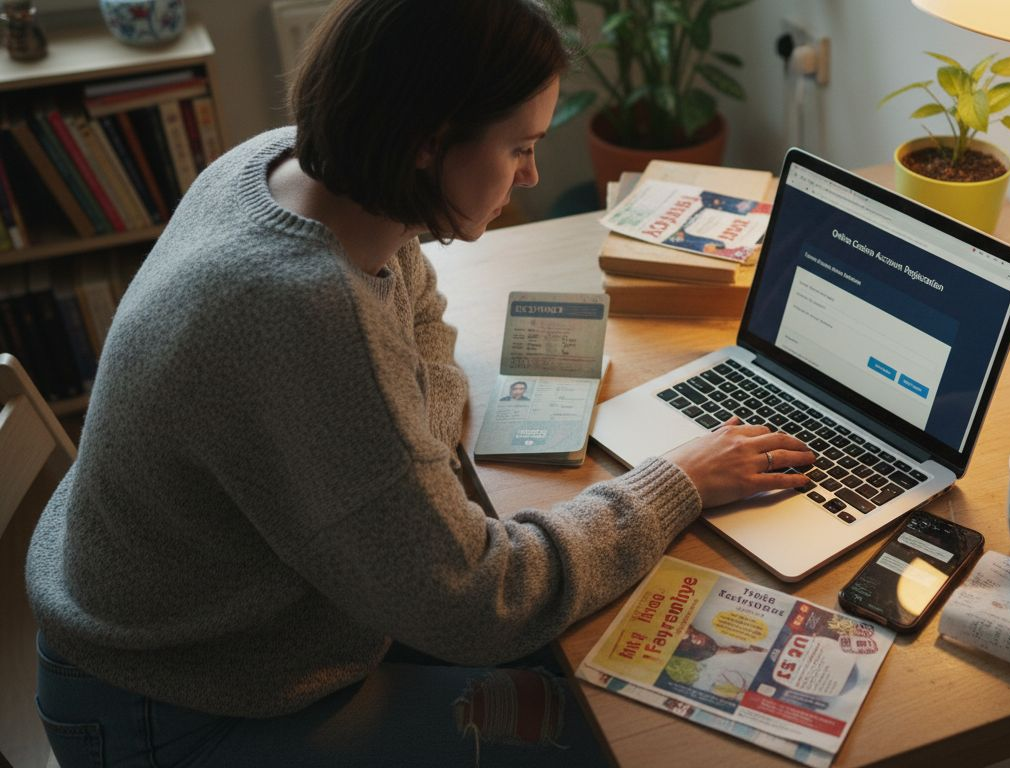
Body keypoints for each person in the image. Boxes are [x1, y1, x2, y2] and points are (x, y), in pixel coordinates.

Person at [24, 1, 813, 766]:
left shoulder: (291, 169)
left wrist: (404, 427)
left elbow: (423, 324)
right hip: (179, 707)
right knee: (617, 736)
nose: (533, 175)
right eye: (519, 148)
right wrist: (676, 482)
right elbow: (482, 601)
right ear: (429, 145)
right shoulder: (301, 306)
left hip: (236, 625)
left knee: (577, 656)